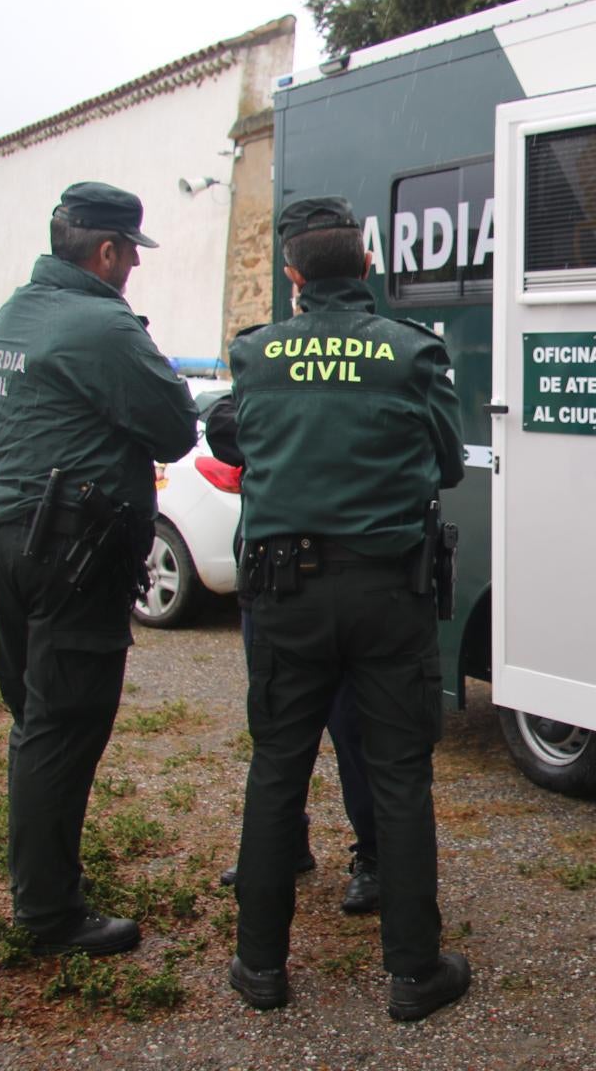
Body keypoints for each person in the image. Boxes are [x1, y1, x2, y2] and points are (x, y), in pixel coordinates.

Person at [225, 196, 468, 1019]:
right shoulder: (411, 353)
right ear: (367, 266)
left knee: (276, 771)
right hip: (385, 592)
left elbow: (243, 443)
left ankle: (259, 968)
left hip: (283, 591)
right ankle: (412, 972)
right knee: (399, 774)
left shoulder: (255, 356)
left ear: (293, 276)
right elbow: (449, 464)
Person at [0, 182, 198, 956]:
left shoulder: (14, 314)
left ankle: (46, 885)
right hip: (69, 555)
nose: (134, 263)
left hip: (3, 537)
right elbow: (173, 426)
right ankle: (48, 918)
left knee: (38, 724)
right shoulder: (99, 324)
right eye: (132, 250)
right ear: (107, 251)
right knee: (61, 729)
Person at [205, 391, 379, 914]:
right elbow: (222, 426)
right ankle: (284, 843)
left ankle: (373, 856)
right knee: (276, 728)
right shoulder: (269, 359)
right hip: (268, 577)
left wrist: (288, 430)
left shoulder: (363, 363)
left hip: (342, 575)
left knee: (352, 727)